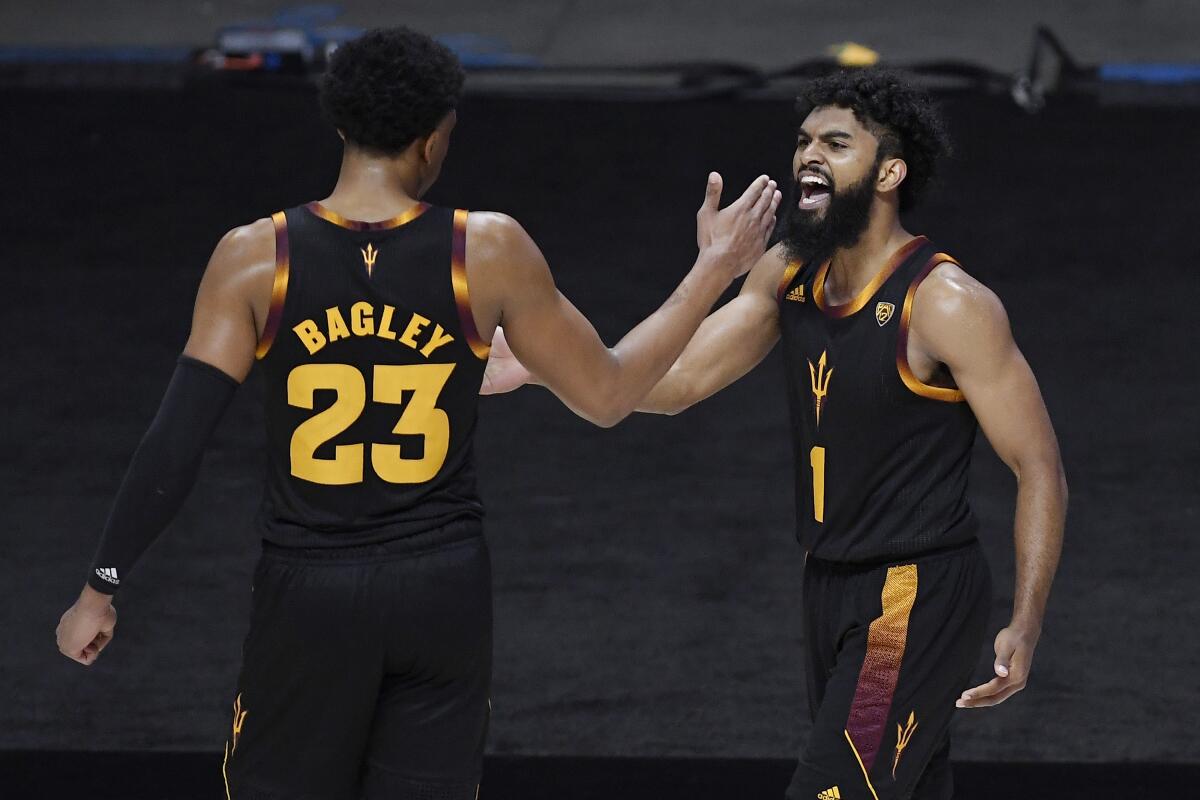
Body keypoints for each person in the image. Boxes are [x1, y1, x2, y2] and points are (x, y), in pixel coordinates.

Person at [54, 26, 781, 800]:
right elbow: (608, 395)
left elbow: (175, 443)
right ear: (435, 138)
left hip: (310, 590)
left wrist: (101, 584)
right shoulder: (487, 249)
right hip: (440, 589)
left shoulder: (254, 257)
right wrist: (714, 269)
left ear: (338, 125)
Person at [483, 68, 1067, 800]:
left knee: (832, 789)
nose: (807, 157)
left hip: (910, 599)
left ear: (889, 171)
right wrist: (540, 366)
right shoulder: (788, 270)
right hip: (827, 587)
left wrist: (1029, 618)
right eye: (802, 142)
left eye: (835, 142)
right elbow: (675, 382)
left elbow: (1039, 464)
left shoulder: (946, 303)